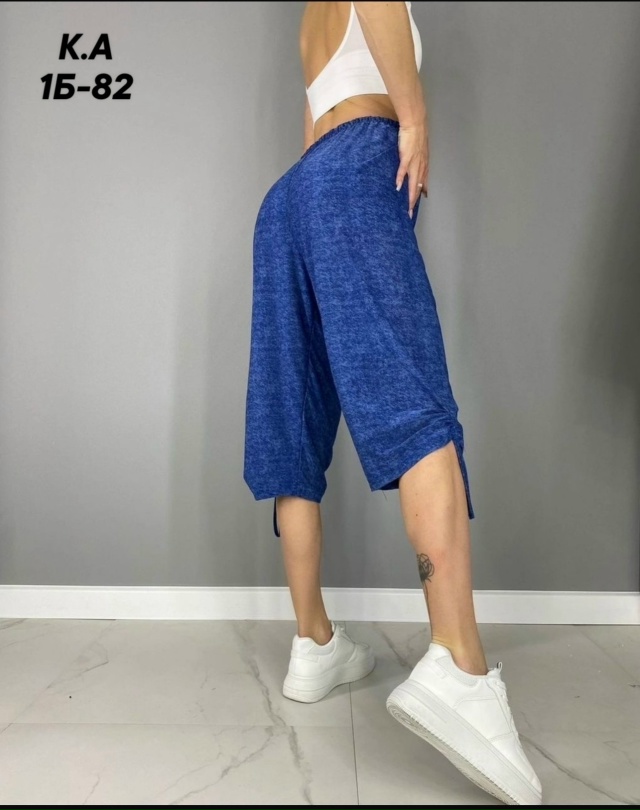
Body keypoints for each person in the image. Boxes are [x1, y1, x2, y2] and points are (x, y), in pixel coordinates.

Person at [243, 2, 541, 805]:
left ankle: (313, 644)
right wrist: (414, 117)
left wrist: (329, 191)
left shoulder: (308, 18)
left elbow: (312, 131)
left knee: (291, 420)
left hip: (291, 197)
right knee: (412, 396)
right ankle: (459, 664)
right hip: (352, 166)